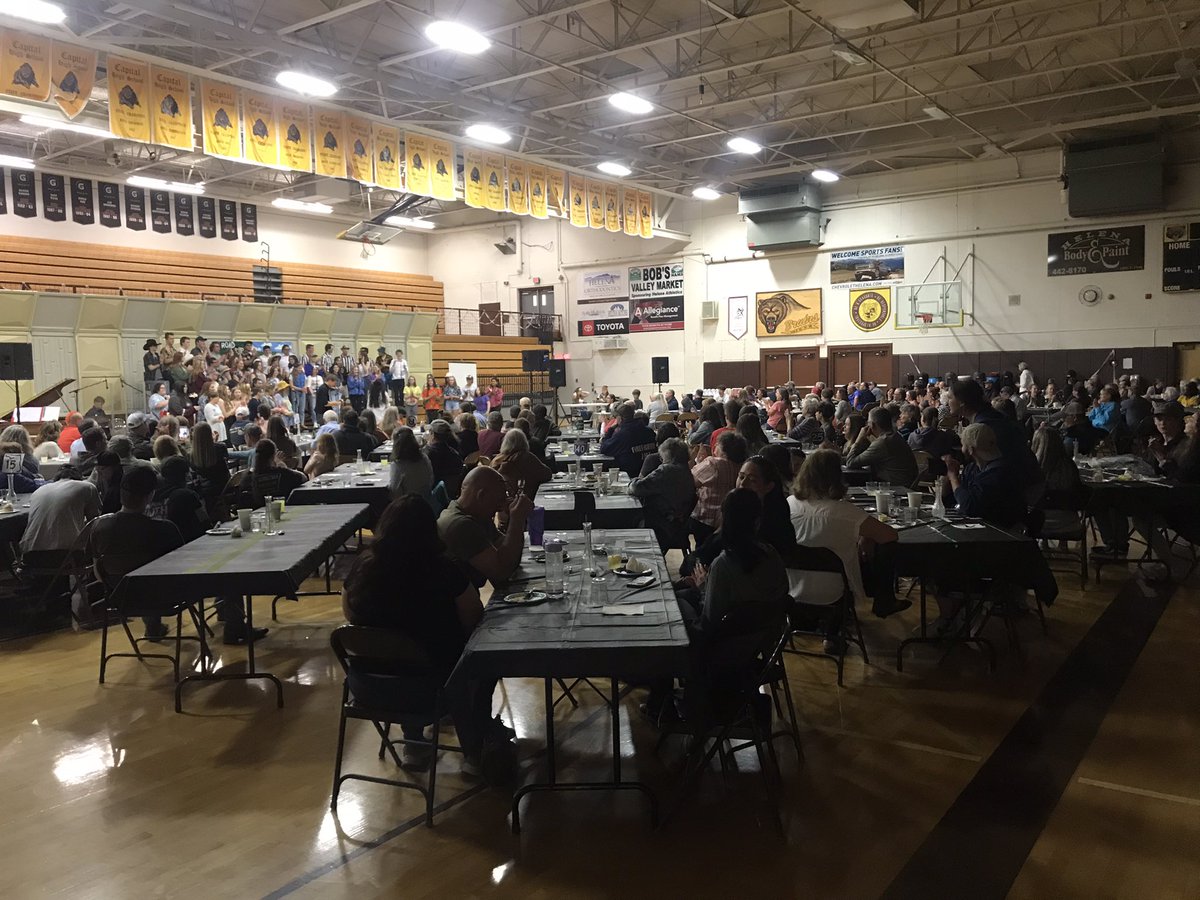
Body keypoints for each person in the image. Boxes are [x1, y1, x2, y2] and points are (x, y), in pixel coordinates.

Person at [342, 495, 511, 777]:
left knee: (403, 658)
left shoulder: (362, 569)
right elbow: (474, 618)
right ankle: (474, 748)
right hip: (430, 691)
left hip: (367, 686)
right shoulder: (445, 570)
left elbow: (349, 616)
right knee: (482, 661)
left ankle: (414, 744)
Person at [787, 449, 908, 622]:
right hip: (833, 591)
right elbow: (890, 535)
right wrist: (866, 536)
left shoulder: (789, 504)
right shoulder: (845, 512)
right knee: (886, 548)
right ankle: (884, 599)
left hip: (791, 587)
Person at [678, 489, 788, 636]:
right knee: (684, 594)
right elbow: (783, 591)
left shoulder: (723, 564)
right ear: (757, 522)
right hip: (764, 636)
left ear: (723, 519)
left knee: (677, 603)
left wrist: (704, 586)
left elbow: (709, 621)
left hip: (725, 640)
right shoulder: (771, 554)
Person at [437, 466, 532, 588]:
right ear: (481, 495)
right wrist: (517, 519)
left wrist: (512, 517)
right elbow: (502, 572)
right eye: (499, 500)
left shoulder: (476, 513)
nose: (500, 508)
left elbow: (506, 550)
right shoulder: (461, 525)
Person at [943, 423, 1025, 527]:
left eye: (963, 445)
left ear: (970, 450)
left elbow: (968, 506)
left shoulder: (998, 474)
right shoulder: (973, 469)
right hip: (977, 526)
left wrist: (953, 477)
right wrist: (946, 480)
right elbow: (954, 500)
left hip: (999, 530)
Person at [629, 438, 696, 552]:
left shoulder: (667, 471)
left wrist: (632, 481)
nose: (662, 461)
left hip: (660, 523)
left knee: (626, 518)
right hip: (676, 525)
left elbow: (636, 488)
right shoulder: (686, 471)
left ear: (668, 456)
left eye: (662, 458)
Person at [690, 431, 748, 543]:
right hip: (731, 519)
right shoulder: (743, 466)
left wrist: (697, 461)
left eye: (718, 445)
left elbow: (690, 482)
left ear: (724, 451)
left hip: (706, 519)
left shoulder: (713, 464)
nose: (715, 447)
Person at [845, 406, 919, 487]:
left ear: (872, 425)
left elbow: (850, 462)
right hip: (904, 485)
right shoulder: (894, 437)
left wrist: (859, 439)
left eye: (868, 423)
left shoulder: (883, 442)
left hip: (895, 488)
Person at [492, 429, 552, 523]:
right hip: (525, 505)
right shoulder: (526, 457)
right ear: (524, 442)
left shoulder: (497, 460)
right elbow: (547, 474)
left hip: (502, 510)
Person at [146, 455, 208, 542]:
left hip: (157, 544)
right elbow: (205, 522)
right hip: (187, 543)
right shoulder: (187, 495)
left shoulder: (151, 495)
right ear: (187, 475)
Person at [599, 403, 658, 477]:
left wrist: (610, 430)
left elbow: (604, 448)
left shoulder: (622, 435)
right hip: (649, 473)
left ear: (620, 418)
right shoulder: (649, 431)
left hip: (629, 474)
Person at [187, 422, 230, 518]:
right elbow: (225, 463)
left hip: (205, 492)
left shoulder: (191, 455)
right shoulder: (220, 447)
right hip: (223, 487)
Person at [250, 439, 307, 507]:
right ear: (273, 455)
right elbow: (303, 478)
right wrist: (281, 464)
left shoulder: (248, 477)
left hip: (257, 511)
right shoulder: (282, 473)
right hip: (282, 508)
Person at [389, 426, 435, 502]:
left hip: (407, 504)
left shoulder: (397, 465)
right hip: (426, 501)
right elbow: (431, 480)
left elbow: (394, 492)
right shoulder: (424, 458)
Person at [425, 420, 464, 497]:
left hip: (433, 494)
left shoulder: (428, 454)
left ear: (432, 434)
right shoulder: (454, 453)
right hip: (451, 494)